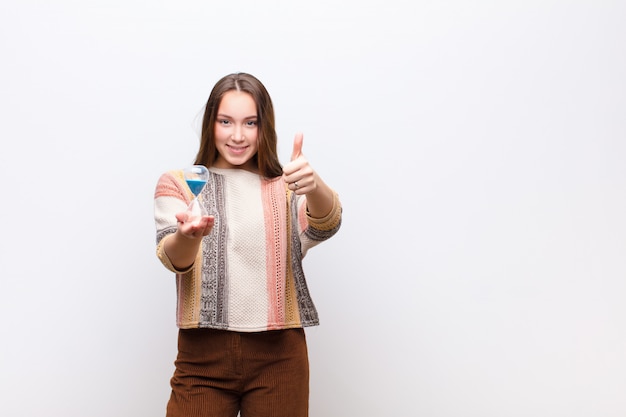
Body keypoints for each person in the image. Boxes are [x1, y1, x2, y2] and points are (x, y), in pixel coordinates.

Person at [153, 72, 342, 417]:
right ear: (211, 124)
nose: (237, 135)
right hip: (202, 357)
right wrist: (187, 237)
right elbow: (172, 257)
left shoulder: (285, 186)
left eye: (250, 123)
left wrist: (314, 187)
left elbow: (325, 224)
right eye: (226, 121)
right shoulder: (181, 184)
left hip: (279, 356)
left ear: (263, 127)